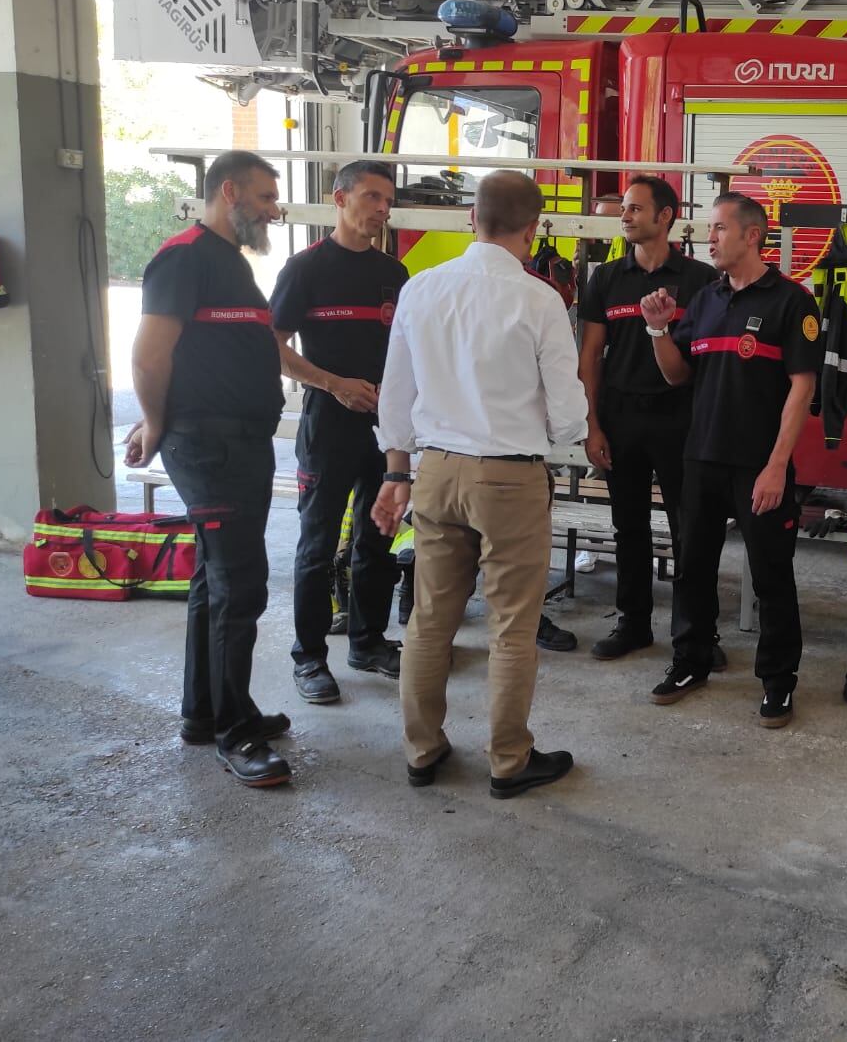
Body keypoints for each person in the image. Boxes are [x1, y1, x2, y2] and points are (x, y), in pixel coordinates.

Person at [372, 171, 589, 799]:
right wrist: (545, 436)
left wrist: (399, 471)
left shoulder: (421, 289)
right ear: (534, 229)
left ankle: (422, 751)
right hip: (510, 477)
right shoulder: (540, 299)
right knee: (513, 624)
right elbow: (571, 414)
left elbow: (395, 397)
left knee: (431, 620)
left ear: (472, 218)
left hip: (436, 470)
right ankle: (508, 760)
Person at [126, 150, 291, 788]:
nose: (274, 210)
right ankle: (235, 734)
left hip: (240, 443)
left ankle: (207, 711)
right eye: (266, 198)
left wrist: (331, 382)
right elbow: (148, 355)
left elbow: (265, 348)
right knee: (240, 586)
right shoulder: (185, 257)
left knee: (213, 581)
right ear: (230, 192)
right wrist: (157, 422)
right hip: (207, 445)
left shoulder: (230, 264)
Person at [638, 191, 824, 727]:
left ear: (751, 235)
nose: (710, 238)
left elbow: (801, 390)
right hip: (700, 459)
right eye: (709, 229)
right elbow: (678, 374)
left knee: (771, 576)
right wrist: (656, 330)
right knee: (692, 568)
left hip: (758, 465)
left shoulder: (792, 302)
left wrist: (775, 465)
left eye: (719, 228)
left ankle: (778, 681)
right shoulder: (707, 301)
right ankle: (690, 661)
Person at [269, 160, 409, 704]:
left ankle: (368, 641)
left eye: (387, 201)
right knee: (318, 544)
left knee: (377, 538)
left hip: (384, 428)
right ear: (340, 198)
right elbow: (272, 346)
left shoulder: (394, 274)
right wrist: (332, 384)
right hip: (328, 427)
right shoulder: (305, 270)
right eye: (372, 197)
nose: (381, 209)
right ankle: (309, 658)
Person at [577, 175, 719, 661]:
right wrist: (593, 425)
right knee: (628, 527)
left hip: (682, 420)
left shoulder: (701, 281)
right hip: (622, 417)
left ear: (665, 217)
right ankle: (633, 624)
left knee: (690, 529)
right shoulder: (606, 279)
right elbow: (590, 357)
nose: (625, 216)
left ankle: (697, 634)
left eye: (636, 209)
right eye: (625, 209)